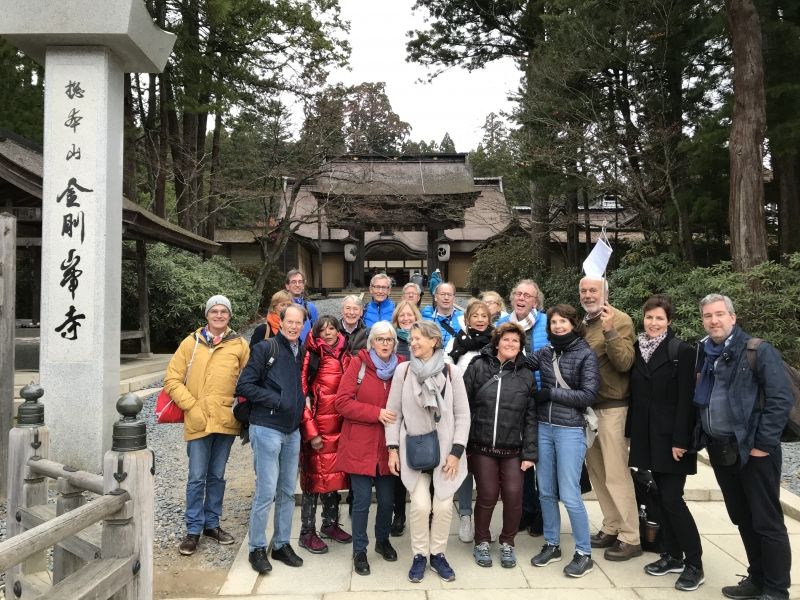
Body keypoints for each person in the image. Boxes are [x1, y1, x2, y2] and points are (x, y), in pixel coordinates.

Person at [694, 294, 793, 600]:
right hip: (721, 450)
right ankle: (757, 578)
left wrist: (763, 444)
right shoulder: (703, 352)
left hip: (754, 452)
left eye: (720, 314)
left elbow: (780, 400)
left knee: (766, 521)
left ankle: (776, 589)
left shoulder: (757, 351)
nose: (714, 320)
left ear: (733, 317)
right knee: (742, 517)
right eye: (708, 316)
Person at [626, 294, 704, 591]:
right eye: (649, 317)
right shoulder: (638, 349)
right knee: (661, 498)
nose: (654, 323)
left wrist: (681, 439)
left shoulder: (681, 351)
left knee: (673, 500)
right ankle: (671, 554)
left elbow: (688, 400)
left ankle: (694, 563)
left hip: (674, 439)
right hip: (648, 438)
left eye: (660, 318)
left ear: (669, 321)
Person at [386, 321, 471, 584]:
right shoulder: (403, 371)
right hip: (414, 450)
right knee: (421, 506)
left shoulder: (451, 371)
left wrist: (456, 452)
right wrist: (392, 449)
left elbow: (462, 415)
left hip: (447, 451)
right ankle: (420, 556)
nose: (412, 343)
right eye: (410, 339)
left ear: (434, 341)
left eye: (418, 338)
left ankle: (438, 555)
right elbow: (393, 414)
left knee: (444, 506)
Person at [167, 295, 250, 556]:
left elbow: (248, 381)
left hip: (226, 419)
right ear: (206, 315)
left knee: (217, 476)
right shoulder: (190, 343)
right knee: (196, 477)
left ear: (229, 315)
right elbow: (172, 379)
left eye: (223, 311)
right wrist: (191, 406)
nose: (218, 315)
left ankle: (212, 524)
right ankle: (193, 529)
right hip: (198, 419)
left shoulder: (239, 345)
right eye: (214, 311)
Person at [526, 304, 600, 578]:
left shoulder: (585, 354)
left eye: (563, 322)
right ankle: (552, 543)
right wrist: (494, 348)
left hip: (570, 429)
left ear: (573, 324)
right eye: (554, 322)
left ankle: (584, 552)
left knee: (569, 493)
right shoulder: (545, 352)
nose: (558, 326)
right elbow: (519, 360)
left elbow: (588, 395)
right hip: (544, 428)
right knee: (545, 490)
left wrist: (551, 394)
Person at [236, 304, 307, 575]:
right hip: (267, 427)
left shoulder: (301, 350)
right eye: (288, 321)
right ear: (280, 322)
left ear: (303, 325)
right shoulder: (266, 349)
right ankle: (256, 547)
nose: (292, 326)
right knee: (266, 490)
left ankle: (280, 544)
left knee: (287, 491)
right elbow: (244, 386)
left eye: (298, 322)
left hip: (292, 430)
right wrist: (276, 400)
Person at [462, 321, 537, 569]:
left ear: (520, 346)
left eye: (515, 341)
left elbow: (530, 416)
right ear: (497, 342)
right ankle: (481, 540)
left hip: (513, 448)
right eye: (506, 339)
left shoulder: (526, 374)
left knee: (515, 495)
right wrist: (462, 442)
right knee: (487, 494)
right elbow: (463, 404)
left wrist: (529, 453)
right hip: (482, 445)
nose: (510, 344)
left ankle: (508, 542)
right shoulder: (479, 366)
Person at [335, 321, 405, 576]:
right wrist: (376, 413)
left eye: (389, 340)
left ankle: (382, 540)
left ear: (394, 343)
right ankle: (360, 549)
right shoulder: (359, 364)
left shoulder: (401, 367)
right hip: (360, 443)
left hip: (389, 446)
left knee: (387, 501)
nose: (385, 344)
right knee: (362, 500)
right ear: (371, 342)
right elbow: (341, 402)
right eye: (380, 339)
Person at [579, 276, 641, 561]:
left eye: (594, 290)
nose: (588, 294)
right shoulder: (583, 324)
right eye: (584, 290)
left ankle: (631, 536)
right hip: (589, 409)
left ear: (605, 293)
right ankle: (611, 525)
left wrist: (610, 332)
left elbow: (626, 362)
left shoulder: (620, 320)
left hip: (613, 407)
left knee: (616, 473)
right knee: (598, 474)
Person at [497, 279, 548, 535]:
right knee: (521, 459)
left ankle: (542, 511)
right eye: (518, 293)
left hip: (541, 397)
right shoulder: (503, 323)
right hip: (512, 399)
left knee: (542, 458)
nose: (521, 298)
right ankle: (527, 508)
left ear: (535, 301)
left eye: (527, 295)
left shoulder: (547, 323)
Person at [297, 316, 352, 555]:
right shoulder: (311, 355)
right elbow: (302, 395)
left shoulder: (346, 354)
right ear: (316, 333)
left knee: (334, 479)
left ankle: (330, 524)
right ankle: (307, 531)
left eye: (332, 328)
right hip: (318, 428)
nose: (328, 332)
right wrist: (310, 431)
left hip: (341, 429)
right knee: (313, 480)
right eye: (323, 329)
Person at [449, 299, 494, 544]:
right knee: (465, 467)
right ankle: (465, 515)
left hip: (489, 413)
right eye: (474, 315)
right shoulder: (457, 342)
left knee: (487, 468)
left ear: (490, 320)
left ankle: (483, 521)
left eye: (483, 315)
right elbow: (445, 371)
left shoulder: (497, 342)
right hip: (463, 412)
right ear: (467, 319)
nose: (479, 319)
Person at [388, 300, 422, 536]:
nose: (407, 319)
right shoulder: (392, 340)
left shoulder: (423, 338)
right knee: (398, 466)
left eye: (410, 315)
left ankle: (424, 512)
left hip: (420, 408)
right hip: (395, 403)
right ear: (397, 318)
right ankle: (398, 513)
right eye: (403, 316)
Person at [421, 281, 464, 355]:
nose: (446, 298)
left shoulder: (463, 318)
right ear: (435, 297)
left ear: (454, 298)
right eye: (443, 294)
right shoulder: (424, 318)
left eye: (449, 295)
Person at [285, 269, 318, 343]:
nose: (297, 285)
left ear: (303, 286)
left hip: (306, 351)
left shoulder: (310, 307)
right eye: (293, 282)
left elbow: (316, 332)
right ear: (287, 286)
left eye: (300, 282)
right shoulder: (282, 306)